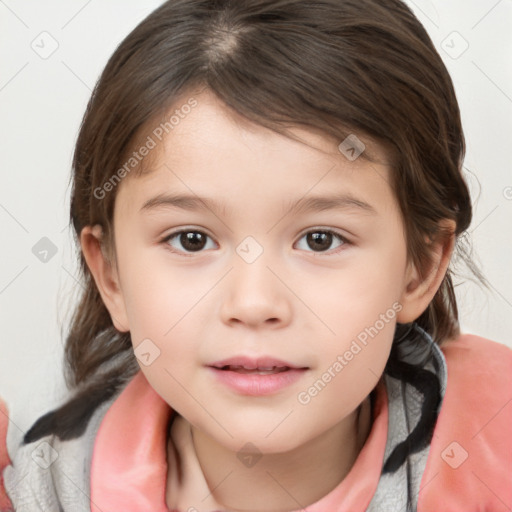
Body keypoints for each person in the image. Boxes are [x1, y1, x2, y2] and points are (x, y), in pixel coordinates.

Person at [1, 0, 511, 510]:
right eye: (192, 239)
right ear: (110, 275)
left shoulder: (493, 452)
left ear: (418, 268)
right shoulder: (39, 488)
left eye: (320, 239)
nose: (253, 303)